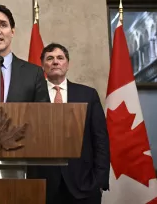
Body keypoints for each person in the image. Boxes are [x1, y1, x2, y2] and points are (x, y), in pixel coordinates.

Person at [28, 43, 110, 204]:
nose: (55, 62)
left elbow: (100, 139)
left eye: (60, 58)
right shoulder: (31, 95)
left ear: (68, 64)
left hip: (84, 184)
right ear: (42, 65)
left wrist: (99, 180)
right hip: (43, 185)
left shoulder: (87, 94)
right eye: (49, 58)